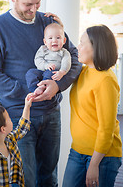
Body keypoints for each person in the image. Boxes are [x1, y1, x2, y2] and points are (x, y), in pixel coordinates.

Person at [0, 0, 82, 187]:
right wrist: (26, 91)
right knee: (25, 180)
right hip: (18, 118)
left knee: (49, 178)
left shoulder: (48, 23)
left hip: (51, 114)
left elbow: (74, 57)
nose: (34, 9)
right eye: (28, 4)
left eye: (37, 3)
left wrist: (57, 85)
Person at [62, 25, 122, 187]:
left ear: (96, 46)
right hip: (77, 151)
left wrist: (94, 164)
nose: (78, 47)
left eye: (82, 43)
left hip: (102, 157)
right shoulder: (83, 71)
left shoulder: (106, 80)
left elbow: (106, 128)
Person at [26, 22, 71, 96]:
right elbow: (38, 59)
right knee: (31, 73)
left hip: (53, 73)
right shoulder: (43, 49)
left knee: (50, 73)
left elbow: (66, 63)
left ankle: (42, 87)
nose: (54, 40)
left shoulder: (64, 52)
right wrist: (46, 65)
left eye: (58, 38)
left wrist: (62, 72)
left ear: (64, 41)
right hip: (41, 70)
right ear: (45, 41)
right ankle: (34, 89)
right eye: (50, 38)